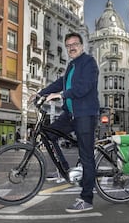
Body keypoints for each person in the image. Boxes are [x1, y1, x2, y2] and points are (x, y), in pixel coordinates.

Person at [31, 32, 99, 213]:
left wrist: (60, 95)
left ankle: (86, 199)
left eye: (74, 44)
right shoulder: (71, 66)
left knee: (86, 156)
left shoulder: (89, 63)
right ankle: (64, 171)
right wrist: (41, 93)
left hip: (85, 115)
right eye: (68, 46)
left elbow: (83, 87)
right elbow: (60, 83)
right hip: (70, 114)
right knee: (48, 134)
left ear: (82, 46)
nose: (71, 48)